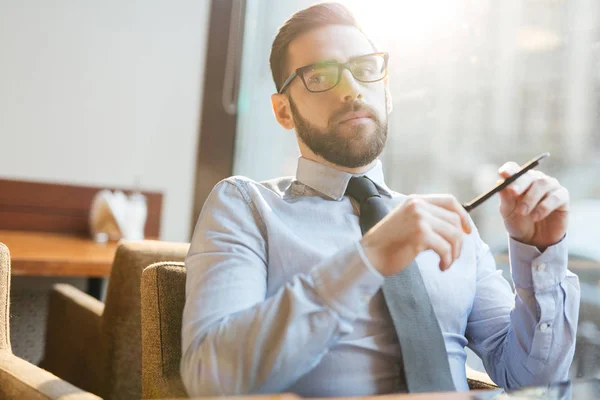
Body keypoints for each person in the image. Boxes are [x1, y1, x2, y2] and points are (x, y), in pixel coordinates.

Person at [180, 3, 580, 397]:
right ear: (283, 111)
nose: (351, 89)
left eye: (365, 69)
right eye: (320, 75)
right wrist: (367, 259)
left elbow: (531, 381)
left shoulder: (445, 223)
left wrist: (540, 252)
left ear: (386, 94)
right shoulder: (245, 206)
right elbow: (212, 377)